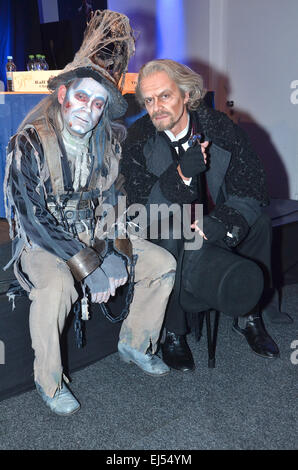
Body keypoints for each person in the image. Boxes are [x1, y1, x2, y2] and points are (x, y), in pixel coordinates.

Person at [4, 12, 176, 416]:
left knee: (161, 263)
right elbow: (31, 215)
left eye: (99, 104)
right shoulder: (27, 142)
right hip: (44, 243)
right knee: (56, 288)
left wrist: (114, 251)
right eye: (82, 97)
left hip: (96, 232)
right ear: (63, 94)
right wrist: (87, 264)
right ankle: (48, 381)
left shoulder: (108, 144)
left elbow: (116, 202)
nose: (89, 110)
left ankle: (135, 341)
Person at [120, 58, 289, 373]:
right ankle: (174, 331)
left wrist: (222, 222)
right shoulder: (138, 139)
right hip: (169, 223)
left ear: (186, 94)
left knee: (260, 223)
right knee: (169, 236)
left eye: (165, 96)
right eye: (149, 99)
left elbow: (251, 187)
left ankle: (249, 315)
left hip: (217, 218)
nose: (156, 106)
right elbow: (143, 207)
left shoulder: (220, 128)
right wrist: (181, 173)